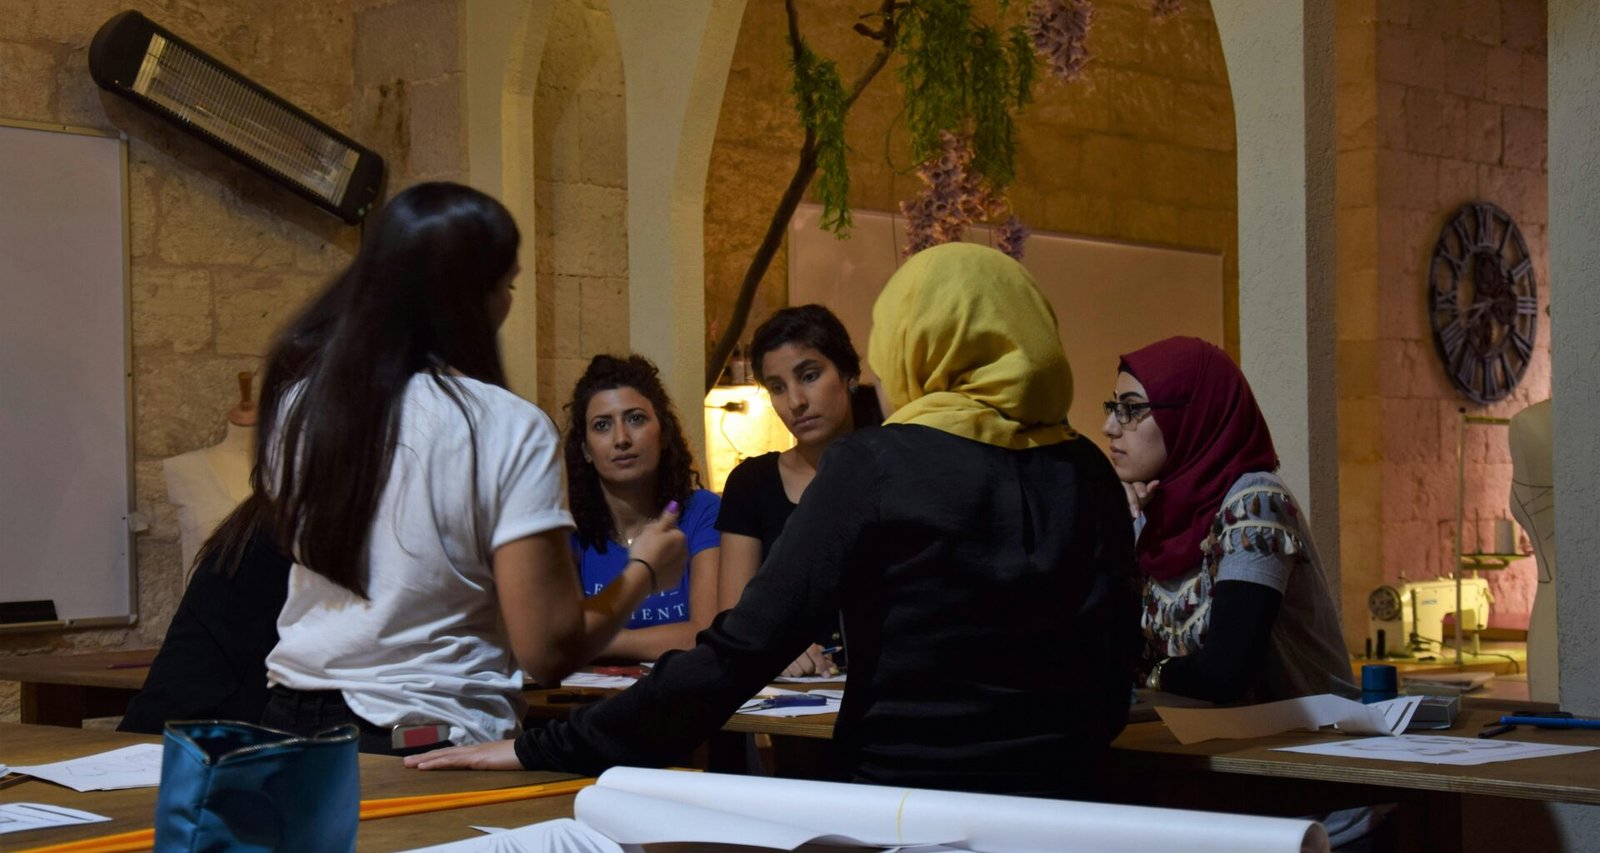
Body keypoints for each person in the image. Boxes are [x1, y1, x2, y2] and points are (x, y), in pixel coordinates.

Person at [408, 242, 1138, 798]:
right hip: (1070, 804)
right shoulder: (1087, 468)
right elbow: (1113, 674)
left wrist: (544, 746)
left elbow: (737, 653)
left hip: (904, 807)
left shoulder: (876, 465)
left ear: (914, 341)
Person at [242, 182, 684, 756]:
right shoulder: (506, 425)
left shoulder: (302, 407)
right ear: (475, 296)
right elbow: (547, 651)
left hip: (290, 725)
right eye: (508, 284)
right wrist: (644, 569)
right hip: (425, 735)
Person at [1106, 336, 1354, 703]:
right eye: (1114, 407)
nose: (1110, 426)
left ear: (1192, 413)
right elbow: (1098, 649)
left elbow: (1224, 673)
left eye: (1130, 409)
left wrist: (1152, 673)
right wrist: (1110, 522)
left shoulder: (1255, 502)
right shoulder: (1148, 515)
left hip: (1304, 735)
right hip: (1202, 733)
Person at [716, 304, 882, 677]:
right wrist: (775, 650)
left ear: (849, 374)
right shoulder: (752, 483)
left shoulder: (894, 469)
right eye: (777, 388)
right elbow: (733, 620)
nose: (795, 402)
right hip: (795, 693)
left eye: (809, 376)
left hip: (890, 686)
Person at [566, 354, 721, 663]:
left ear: (663, 433)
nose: (621, 439)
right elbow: (556, 635)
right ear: (585, 449)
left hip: (683, 691)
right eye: (602, 425)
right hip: (583, 693)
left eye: (635, 419)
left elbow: (708, 635)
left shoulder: (703, 512)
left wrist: (592, 640)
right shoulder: (568, 527)